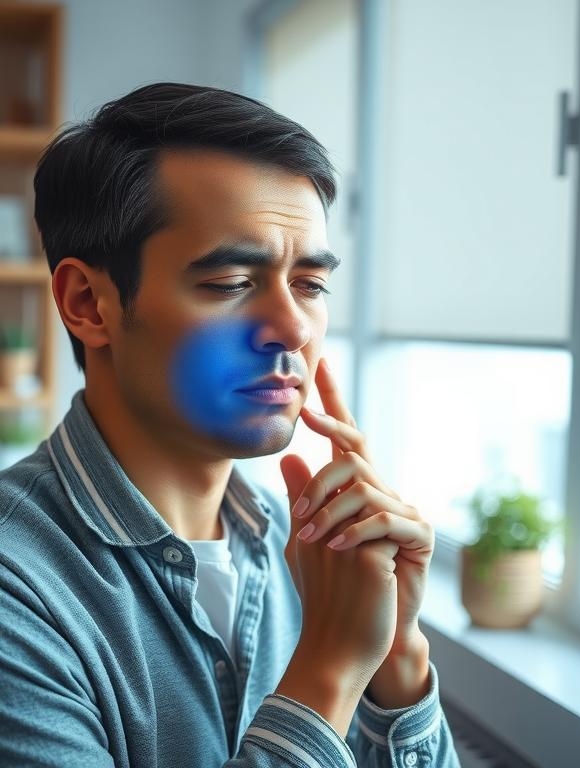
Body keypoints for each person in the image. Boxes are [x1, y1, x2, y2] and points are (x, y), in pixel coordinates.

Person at [0, 82, 460, 767]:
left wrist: (396, 661)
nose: (295, 327)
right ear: (87, 304)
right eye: (230, 284)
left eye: (309, 284)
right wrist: (331, 672)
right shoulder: (20, 589)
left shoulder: (313, 551)